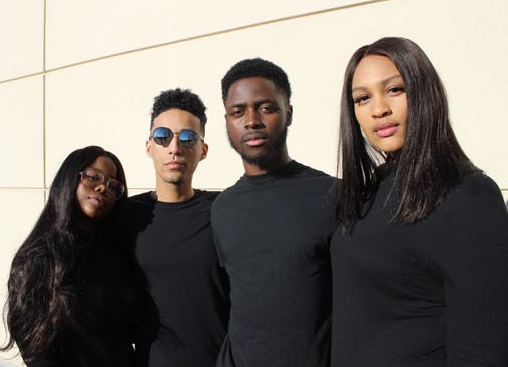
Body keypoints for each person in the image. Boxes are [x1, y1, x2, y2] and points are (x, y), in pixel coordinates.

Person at [331, 37, 508, 366]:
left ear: (424, 92)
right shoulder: (368, 191)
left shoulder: (469, 196)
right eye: (362, 98)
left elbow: (484, 345)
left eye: (395, 89)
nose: (379, 109)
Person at [212, 58, 335, 367]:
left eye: (266, 108)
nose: (251, 121)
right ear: (226, 120)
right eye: (238, 112)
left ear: (288, 113)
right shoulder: (223, 208)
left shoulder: (332, 195)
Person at [0, 146, 146, 367]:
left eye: (112, 185)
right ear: (69, 179)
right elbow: (35, 351)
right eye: (93, 177)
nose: (102, 187)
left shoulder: (117, 253)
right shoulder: (39, 257)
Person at [130, 88, 230, 367]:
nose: (174, 148)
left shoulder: (224, 211)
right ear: (149, 146)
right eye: (163, 136)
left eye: (187, 138)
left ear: (203, 150)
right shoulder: (125, 215)